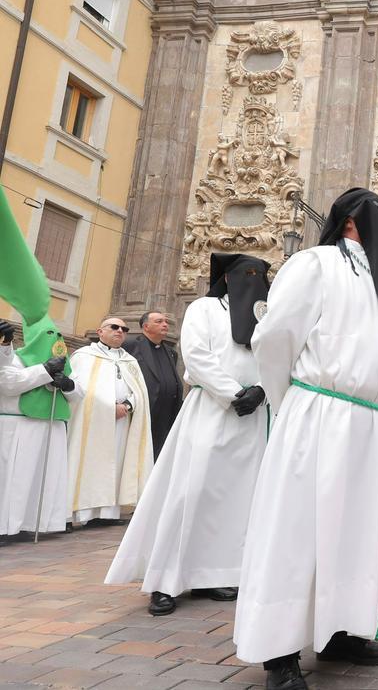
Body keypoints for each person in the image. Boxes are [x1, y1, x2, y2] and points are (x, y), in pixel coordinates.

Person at [234, 188, 378, 690]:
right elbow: (275, 338)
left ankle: (342, 629)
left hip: (371, 425)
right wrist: (289, 400)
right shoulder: (316, 263)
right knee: (298, 531)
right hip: (318, 414)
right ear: (352, 223)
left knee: (356, 534)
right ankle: (279, 652)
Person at [106, 253, 272, 616]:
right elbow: (197, 357)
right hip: (211, 409)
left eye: (260, 274)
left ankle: (214, 573)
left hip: (253, 416)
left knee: (236, 498)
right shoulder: (204, 309)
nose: (254, 280)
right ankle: (164, 580)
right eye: (246, 274)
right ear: (226, 278)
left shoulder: (266, 316)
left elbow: (277, 357)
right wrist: (233, 393)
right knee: (191, 491)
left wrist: (262, 388)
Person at [64, 318, 153, 526]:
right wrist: (108, 408)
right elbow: (79, 389)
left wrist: (128, 406)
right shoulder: (84, 356)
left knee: (117, 463)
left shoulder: (129, 361)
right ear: (100, 331)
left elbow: (140, 392)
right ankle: (78, 514)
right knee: (86, 461)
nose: (120, 331)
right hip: (92, 423)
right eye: (114, 327)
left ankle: (106, 514)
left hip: (122, 421)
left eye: (124, 329)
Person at [0, 326, 73, 538]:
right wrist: (44, 370)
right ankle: (6, 527)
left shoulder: (63, 363)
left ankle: (33, 524)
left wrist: (68, 384)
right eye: (47, 335)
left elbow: (80, 391)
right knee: (14, 479)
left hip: (50, 427)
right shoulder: (14, 358)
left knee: (41, 479)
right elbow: (9, 384)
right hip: (19, 426)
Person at [125, 311, 185, 460]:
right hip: (144, 409)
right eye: (159, 321)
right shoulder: (131, 346)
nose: (165, 324)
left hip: (167, 413)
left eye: (165, 321)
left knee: (159, 454)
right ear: (146, 326)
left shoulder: (171, 352)